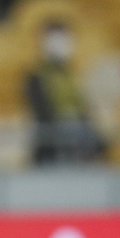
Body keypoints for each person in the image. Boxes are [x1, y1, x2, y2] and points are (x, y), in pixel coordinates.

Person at [25, 18, 107, 164]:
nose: (63, 45)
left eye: (65, 40)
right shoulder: (36, 76)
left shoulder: (71, 76)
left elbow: (82, 109)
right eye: (56, 40)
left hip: (78, 143)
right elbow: (43, 114)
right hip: (52, 145)